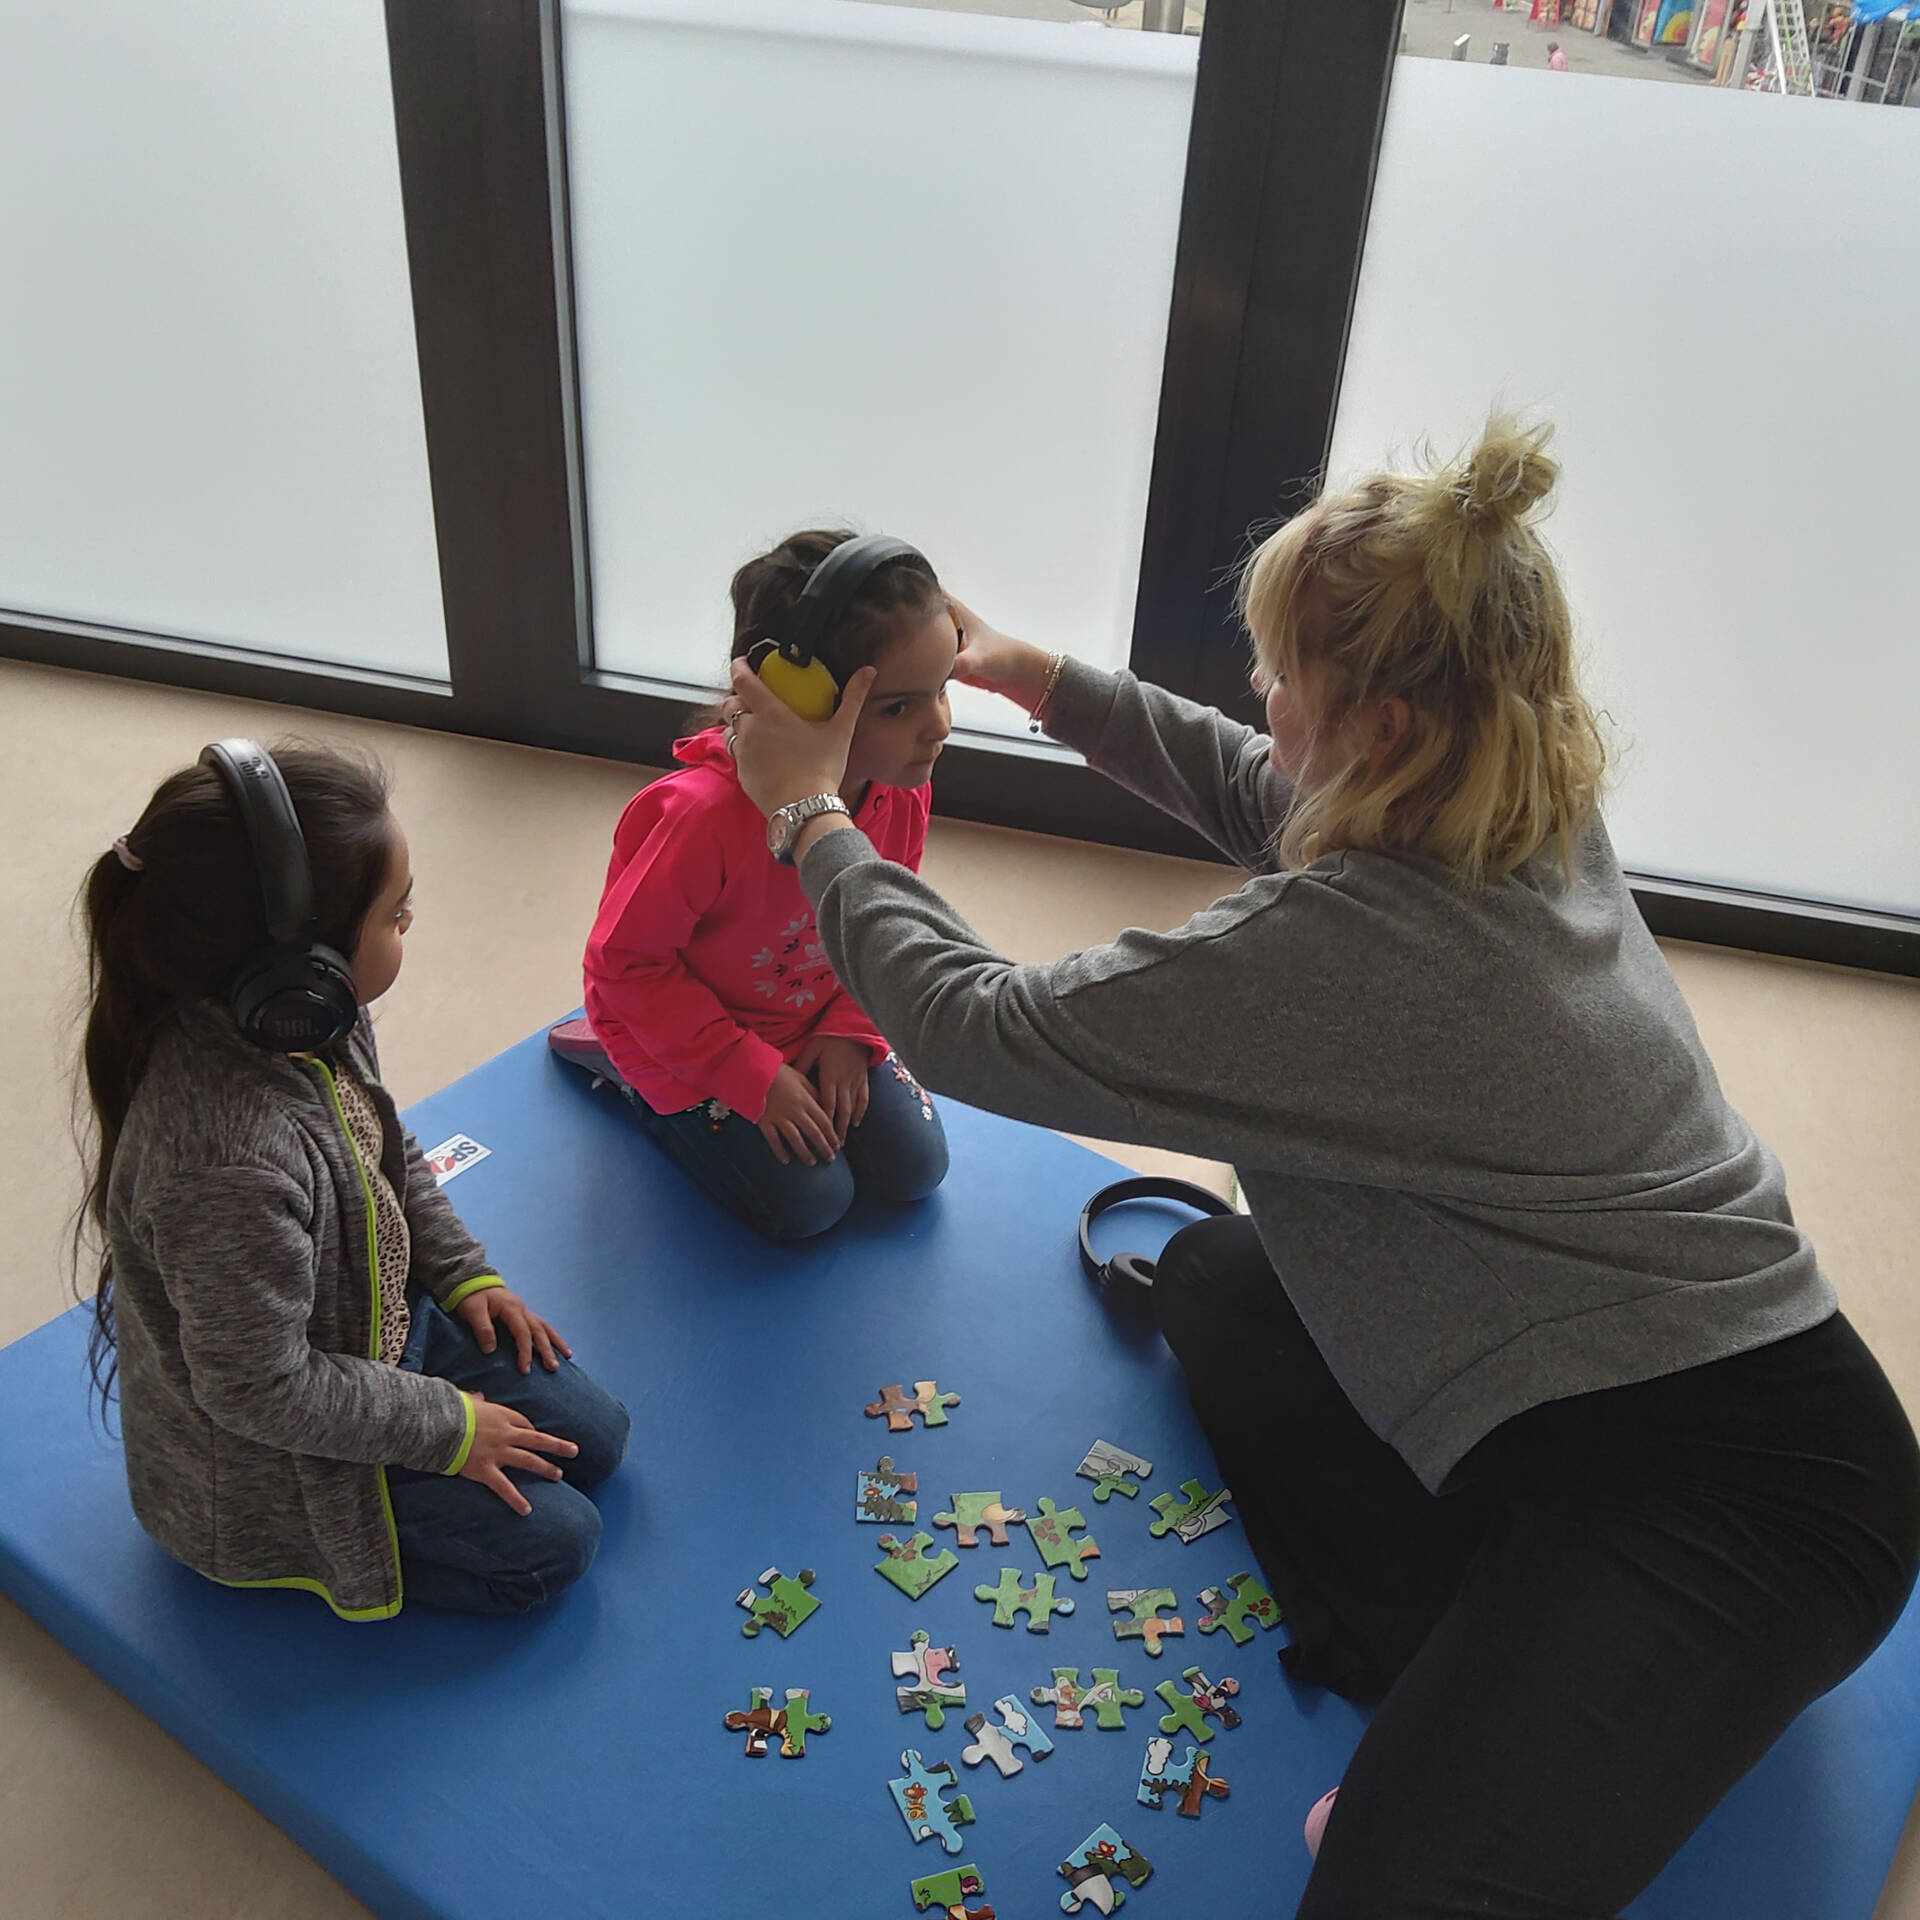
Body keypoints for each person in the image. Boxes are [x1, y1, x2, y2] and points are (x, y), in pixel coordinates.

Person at [725, 420, 1920, 1916]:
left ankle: (1547, 1702)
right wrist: (1029, 674)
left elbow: (980, 1025)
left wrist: (809, 820)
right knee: (1216, 1280)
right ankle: (1523, 1677)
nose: (1258, 693)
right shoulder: (1515, 783)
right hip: (1575, 1383)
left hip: (1750, 1498)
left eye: (1286, 672)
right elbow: (1258, 784)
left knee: (1389, 1891)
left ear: (1391, 728)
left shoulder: (1351, 957)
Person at [78, 742, 629, 1619]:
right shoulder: (224, 1164)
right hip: (279, 1468)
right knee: (557, 1544)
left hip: (377, 1332)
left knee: (598, 1437)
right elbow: (259, 1388)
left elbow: (381, 1147)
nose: (408, 927)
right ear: (298, 962)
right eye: (395, 916)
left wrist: (463, 1273)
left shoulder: (308, 1019)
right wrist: (450, 1429)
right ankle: (359, 1555)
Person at [564, 528, 952, 1243]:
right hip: (689, 1035)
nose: (940, 727)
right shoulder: (700, 818)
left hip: (815, 1012)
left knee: (914, 1170)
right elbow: (622, 964)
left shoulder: (899, 787)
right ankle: (622, 1074)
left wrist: (851, 1027)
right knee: (813, 1206)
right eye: (899, 708)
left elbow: (883, 919)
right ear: (797, 701)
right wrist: (749, 1074)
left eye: (942, 689)